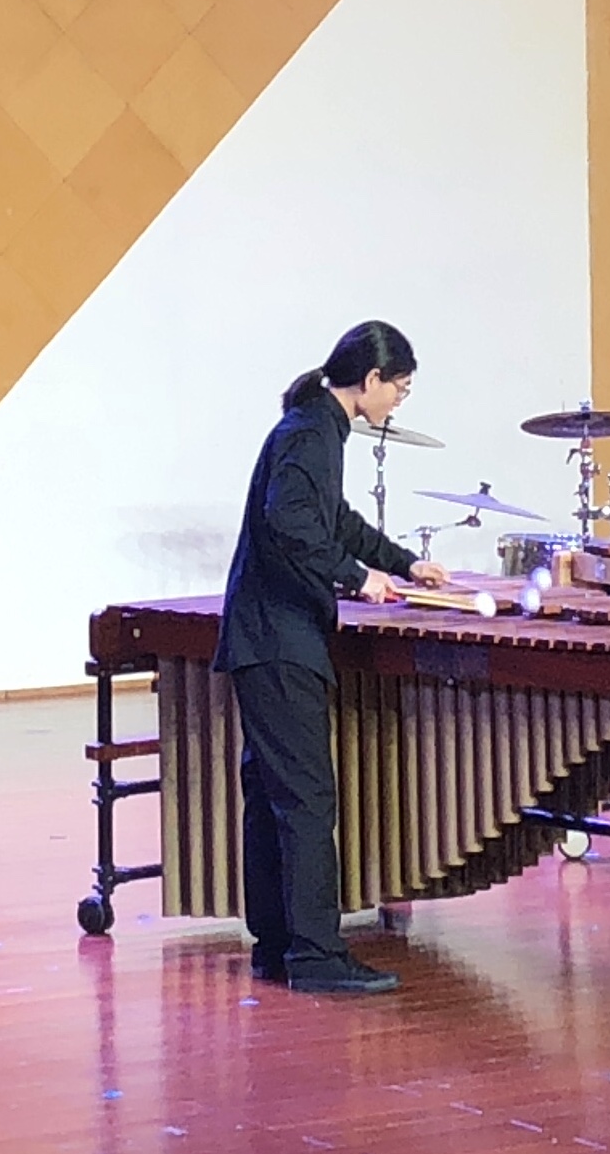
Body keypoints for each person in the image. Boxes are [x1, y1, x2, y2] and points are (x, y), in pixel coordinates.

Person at [213, 320, 452, 995]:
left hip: (269, 636)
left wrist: (402, 563)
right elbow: (290, 522)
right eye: (399, 388)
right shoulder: (311, 430)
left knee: (274, 796)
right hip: (277, 639)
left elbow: (333, 519)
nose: (398, 401)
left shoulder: (317, 426)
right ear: (370, 379)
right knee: (307, 800)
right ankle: (316, 955)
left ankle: (278, 942)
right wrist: (354, 576)